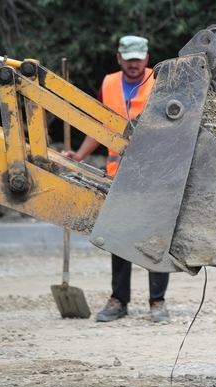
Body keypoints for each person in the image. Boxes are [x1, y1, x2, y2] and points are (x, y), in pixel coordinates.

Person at [63, 35, 170, 323]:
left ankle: (157, 302)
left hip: (154, 176)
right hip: (118, 179)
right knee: (118, 239)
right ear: (119, 58)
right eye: (129, 58)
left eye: (138, 59)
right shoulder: (109, 84)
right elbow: (100, 126)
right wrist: (80, 156)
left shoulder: (161, 82)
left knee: (155, 239)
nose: (134, 64)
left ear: (146, 59)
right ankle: (118, 301)